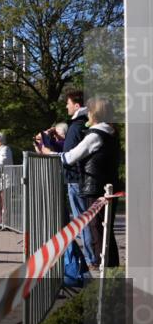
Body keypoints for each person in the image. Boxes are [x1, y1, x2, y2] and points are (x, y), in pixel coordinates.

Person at [49, 97, 121, 268]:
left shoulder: (95, 135)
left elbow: (69, 158)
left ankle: (103, 275)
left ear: (94, 113)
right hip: (107, 187)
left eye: (89, 110)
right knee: (106, 234)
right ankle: (110, 273)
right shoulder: (111, 132)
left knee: (98, 234)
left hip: (95, 189)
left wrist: (49, 154)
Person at [59, 90, 96, 266]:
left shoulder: (77, 126)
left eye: (68, 103)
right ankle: (91, 257)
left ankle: (91, 258)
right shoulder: (81, 125)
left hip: (76, 179)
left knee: (82, 221)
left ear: (76, 105)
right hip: (76, 178)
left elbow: (71, 155)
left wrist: (51, 153)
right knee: (83, 220)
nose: (66, 106)